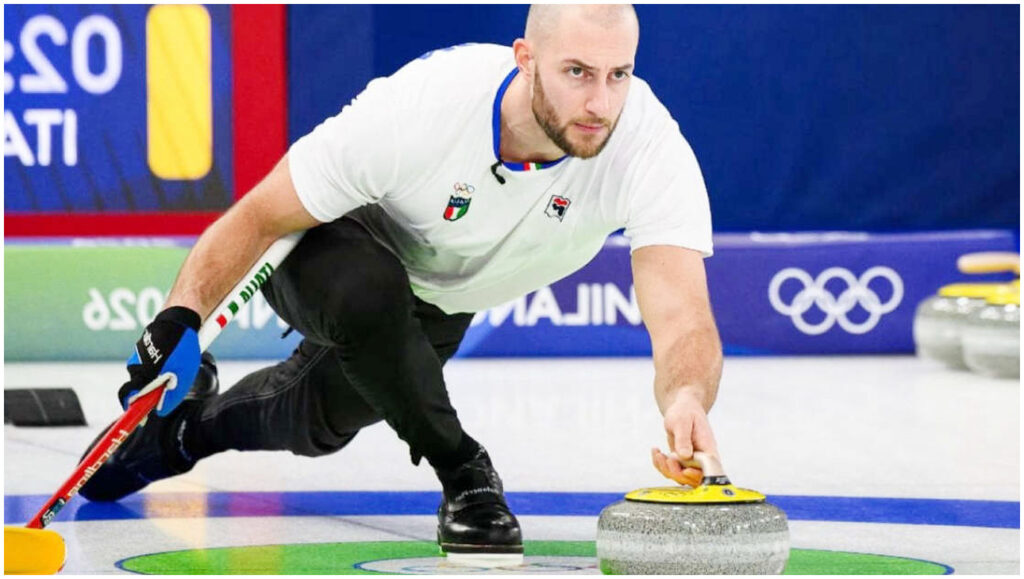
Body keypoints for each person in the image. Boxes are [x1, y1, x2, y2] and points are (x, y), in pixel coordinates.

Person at [79, 4, 723, 566]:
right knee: (367, 292)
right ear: (526, 59)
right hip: (329, 243)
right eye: (577, 72)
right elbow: (258, 217)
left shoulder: (648, 149)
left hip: (442, 295)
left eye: (619, 75)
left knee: (316, 421)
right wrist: (176, 320)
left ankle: (182, 434)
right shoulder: (426, 106)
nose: (599, 103)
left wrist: (686, 397)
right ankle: (465, 470)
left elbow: (682, 315)